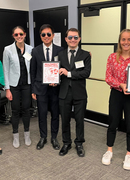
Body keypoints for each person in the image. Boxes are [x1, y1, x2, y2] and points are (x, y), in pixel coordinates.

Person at [101, 29, 130, 170]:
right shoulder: (112, 57)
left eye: (129, 39)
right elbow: (108, 77)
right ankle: (109, 150)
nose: (126, 42)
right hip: (116, 94)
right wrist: (120, 84)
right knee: (113, 123)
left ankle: (129, 154)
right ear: (120, 41)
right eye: (123, 39)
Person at [58, 28, 91, 157]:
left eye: (75, 37)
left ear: (79, 39)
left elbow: (86, 73)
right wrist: (54, 79)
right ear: (66, 39)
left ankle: (79, 143)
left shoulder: (85, 54)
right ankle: (66, 143)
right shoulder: (60, 55)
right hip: (64, 92)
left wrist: (69, 73)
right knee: (65, 119)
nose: (73, 40)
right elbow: (57, 72)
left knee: (79, 120)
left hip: (79, 92)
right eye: (70, 37)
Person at [30, 24, 64, 150]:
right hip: (40, 88)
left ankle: (54, 137)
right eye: (43, 34)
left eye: (48, 34)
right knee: (42, 114)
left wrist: (58, 80)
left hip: (55, 88)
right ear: (40, 36)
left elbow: (63, 69)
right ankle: (43, 137)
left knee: (55, 114)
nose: (46, 37)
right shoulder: (35, 51)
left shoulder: (60, 50)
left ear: (53, 35)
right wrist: (33, 89)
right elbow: (32, 71)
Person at [3, 26, 33, 148]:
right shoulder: (8, 49)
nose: (19, 36)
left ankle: (27, 134)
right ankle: (15, 135)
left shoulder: (30, 49)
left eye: (21, 34)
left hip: (27, 85)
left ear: (25, 34)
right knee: (15, 111)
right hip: (14, 86)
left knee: (26, 110)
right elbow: (5, 69)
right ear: (13, 36)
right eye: (16, 35)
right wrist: (7, 88)